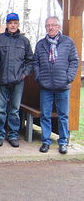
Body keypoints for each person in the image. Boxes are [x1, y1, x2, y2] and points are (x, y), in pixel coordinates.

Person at [33, 16, 79, 154]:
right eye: (48, 25)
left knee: (63, 115)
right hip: (46, 85)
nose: (50, 27)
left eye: (53, 25)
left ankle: (63, 142)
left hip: (63, 85)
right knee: (45, 115)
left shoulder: (68, 42)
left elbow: (74, 61)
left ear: (58, 27)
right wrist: (38, 77)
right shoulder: (41, 44)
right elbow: (35, 62)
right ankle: (46, 141)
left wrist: (69, 77)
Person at [0, 13, 33, 148]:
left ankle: (13, 135)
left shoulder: (24, 41)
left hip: (18, 81)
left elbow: (30, 60)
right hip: (1, 80)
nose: (12, 25)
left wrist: (25, 73)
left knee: (15, 110)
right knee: (1, 109)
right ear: (7, 24)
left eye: (15, 23)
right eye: (10, 22)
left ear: (18, 24)